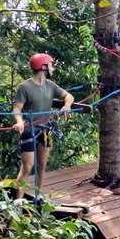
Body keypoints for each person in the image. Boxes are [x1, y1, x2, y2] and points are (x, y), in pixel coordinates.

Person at [12, 53, 73, 201]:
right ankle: (17, 202)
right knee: (27, 167)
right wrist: (19, 121)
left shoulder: (50, 86)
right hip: (28, 129)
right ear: (44, 67)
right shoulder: (24, 87)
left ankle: (38, 197)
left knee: (42, 164)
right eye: (50, 65)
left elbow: (68, 96)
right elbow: (16, 109)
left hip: (46, 129)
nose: (52, 68)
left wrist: (67, 105)